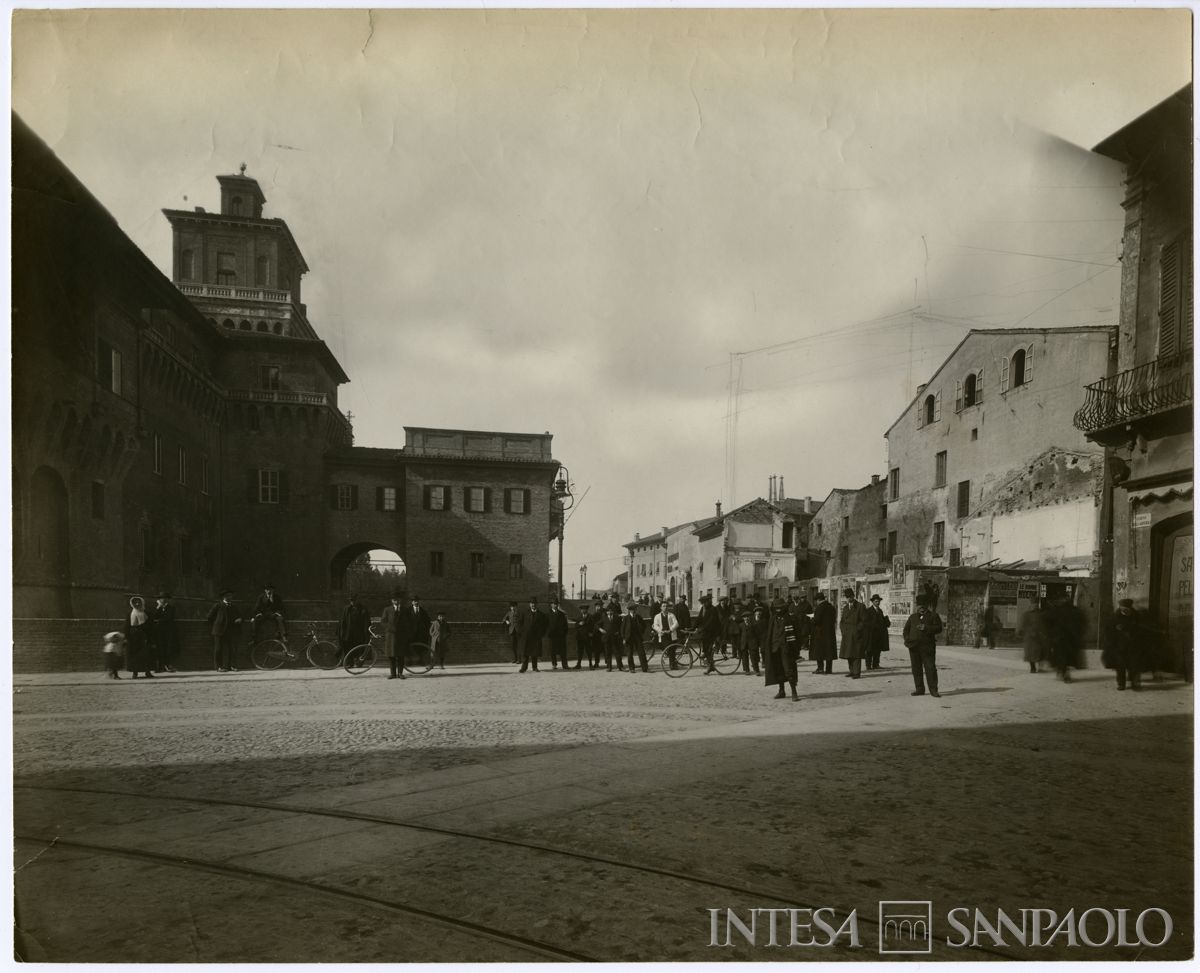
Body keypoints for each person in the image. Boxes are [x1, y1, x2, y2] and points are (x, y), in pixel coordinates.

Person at [903, 595, 944, 697]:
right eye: (919, 605)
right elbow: (906, 630)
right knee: (916, 669)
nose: (921, 607)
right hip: (914, 647)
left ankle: (933, 690)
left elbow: (939, 628)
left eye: (923, 605)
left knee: (930, 668)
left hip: (927, 647)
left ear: (927, 605)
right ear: (917, 606)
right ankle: (919, 689)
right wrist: (907, 640)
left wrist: (926, 628)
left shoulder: (933, 616)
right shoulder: (912, 617)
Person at [1105, 598, 1146, 691]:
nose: (1124, 611)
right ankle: (1121, 683)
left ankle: (1134, 683)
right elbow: (1108, 631)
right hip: (1119, 646)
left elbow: (1141, 630)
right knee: (1120, 666)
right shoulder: (1115, 617)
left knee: (1134, 665)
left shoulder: (1136, 616)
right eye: (1122, 609)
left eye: (1126, 609)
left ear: (1130, 608)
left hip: (1133, 645)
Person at [764, 598, 800, 700]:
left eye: (780, 608)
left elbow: (798, 635)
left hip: (786, 649)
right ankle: (781, 690)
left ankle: (794, 691)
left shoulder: (790, 619)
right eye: (776, 608)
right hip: (775, 648)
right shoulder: (773, 619)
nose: (778, 610)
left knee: (789, 670)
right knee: (778, 670)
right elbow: (769, 634)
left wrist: (796, 649)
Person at [1046, 592, 1087, 682]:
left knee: (1063, 657)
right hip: (1064, 639)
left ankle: (1063, 672)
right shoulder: (1071, 610)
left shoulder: (1057, 611)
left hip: (1064, 638)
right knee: (1064, 657)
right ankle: (1063, 672)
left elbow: (1081, 623)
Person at [207, 589, 243, 673]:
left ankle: (231, 666)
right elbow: (209, 617)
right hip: (219, 631)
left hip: (230, 630)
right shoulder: (218, 605)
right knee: (218, 649)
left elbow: (241, 616)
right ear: (223, 597)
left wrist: (240, 619)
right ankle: (219, 667)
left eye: (230, 595)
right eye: (227, 596)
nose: (229, 597)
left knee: (232, 649)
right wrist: (217, 624)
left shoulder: (234, 606)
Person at [838, 587, 869, 679]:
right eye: (847, 597)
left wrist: (857, 630)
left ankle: (857, 673)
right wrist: (843, 630)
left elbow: (864, 621)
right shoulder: (845, 607)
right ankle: (851, 671)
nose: (849, 599)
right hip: (847, 634)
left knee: (856, 654)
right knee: (848, 654)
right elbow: (842, 621)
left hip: (856, 634)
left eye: (850, 597)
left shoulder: (860, 606)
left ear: (853, 596)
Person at [400, 594, 433, 673]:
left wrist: (425, 630)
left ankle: (420, 660)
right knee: (409, 646)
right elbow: (404, 621)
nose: (415, 602)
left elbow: (427, 622)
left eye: (417, 601)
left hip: (421, 633)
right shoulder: (407, 611)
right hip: (410, 633)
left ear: (419, 602)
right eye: (414, 601)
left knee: (421, 647)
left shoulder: (423, 611)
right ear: (412, 602)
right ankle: (409, 660)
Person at [516, 595, 548, 673]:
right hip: (526, 637)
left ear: (537, 604)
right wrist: (521, 633)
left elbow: (545, 625)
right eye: (531, 603)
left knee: (535, 653)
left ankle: (535, 667)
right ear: (529, 604)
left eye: (534, 603)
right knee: (525, 653)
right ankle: (524, 667)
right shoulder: (524, 613)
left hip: (536, 637)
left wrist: (541, 634)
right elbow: (519, 624)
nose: (533, 605)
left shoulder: (541, 615)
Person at [150, 591, 180, 673]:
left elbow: (168, 618)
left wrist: (159, 620)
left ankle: (167, 665)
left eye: (164, 598)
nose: (162, 600)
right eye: (161, 598)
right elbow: (153, 617)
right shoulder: (158, 607)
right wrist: (159, 607)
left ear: (167, 599)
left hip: (168, 631)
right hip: (158, 632)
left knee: (167, 648)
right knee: (159, 648)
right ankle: (160, 667)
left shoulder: (171, 608)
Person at [380, 590, 407, 680]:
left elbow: (409, 622)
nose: (397, 601)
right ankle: (393, 674)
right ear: (392, 601)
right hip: (391, 636)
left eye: (398, 599)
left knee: (401, 655)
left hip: (401, 636)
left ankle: (400, 673)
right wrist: (389, 628)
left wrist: (405, 631)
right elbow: (383, 621)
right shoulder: (387, 609)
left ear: (400, 600)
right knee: (391, 655)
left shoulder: (404, 610)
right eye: (395, 600)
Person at [810, 592, 837, 674]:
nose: (816, 602)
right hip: (830, 632)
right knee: (829, 651)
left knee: (819, 650)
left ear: (818, 600)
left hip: (820, 633)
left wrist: (811, 619)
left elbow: (817, 620)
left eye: (816, 600)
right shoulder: (831, 607)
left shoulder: (819, 608)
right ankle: (829, 669)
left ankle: (820, 668)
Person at [339, 593, 371, 658]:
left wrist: (366, 632)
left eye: (354, 600)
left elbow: (367, 621)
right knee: (348, 647)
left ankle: (358, 661)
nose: (352, 602)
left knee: (358, 648)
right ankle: (350, 662)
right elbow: (343, 621)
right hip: (349, 633)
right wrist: (342, 632)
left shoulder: (363, 609)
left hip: (359, 633)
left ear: (357, 600)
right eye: (351, 601)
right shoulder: (347, 609)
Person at [696, 594, 722, 674]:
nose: (703, 604)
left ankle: (710, 666)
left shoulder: (713, 609)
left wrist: (701, 629)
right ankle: (710, 665)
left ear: (708, 602)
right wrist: (692, 627)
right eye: (702, 603)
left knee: (709, 650)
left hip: (713, 632)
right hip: (706, 632)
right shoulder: (703, 608)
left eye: (704, 603)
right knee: (706, 649)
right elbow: (699, 619)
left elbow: (710, 622)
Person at [864, 594, 891, 670]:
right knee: (869, 651)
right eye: (876, 601)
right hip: (871, 634)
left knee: (877, 650)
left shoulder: (880, 611)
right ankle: (868, 666)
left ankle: (876, 664)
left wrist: (886, 618)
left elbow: (884, 623)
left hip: (879, 635)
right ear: (872, 602)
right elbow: (866, 622)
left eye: (878, 601)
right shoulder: (868, 611)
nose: (878, 603)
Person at [1019, 602, 1048, 674]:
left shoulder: (1039, 614)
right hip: (1033, 637)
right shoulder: (1039, 614)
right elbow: (1023, 625)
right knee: (1034, 653)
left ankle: (1035, 667)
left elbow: (1022, 625)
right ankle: (1034, 667)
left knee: (1034, 653)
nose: (1035, 607)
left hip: (1034, 637)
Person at [652, 599, 680, 669]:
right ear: (661, 608)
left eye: (666, 606)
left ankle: (672, 665)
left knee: (672, 650)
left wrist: (670, 630)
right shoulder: (657, 616)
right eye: (663, 606)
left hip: (671, 634)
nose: (665, 607)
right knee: (667, 649)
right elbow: (655, 625)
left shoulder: (671, 615)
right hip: (663, 635)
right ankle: (671, 662)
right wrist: (660, 631)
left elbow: (676, 623)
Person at [621, 601, 648, 673]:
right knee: (629, 654)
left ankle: (644, 668)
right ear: (629, 610)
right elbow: (622, 629)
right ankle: (631, 668)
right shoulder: (626, 618)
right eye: (632, 609)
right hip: (629, 638)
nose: (634, 610)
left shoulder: (638, 617)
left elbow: (644, 625)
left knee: (641, 652)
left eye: (635, 608)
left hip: (637, 637)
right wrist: (623, 638)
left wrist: (641, 632)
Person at [599, 599, 624, 671]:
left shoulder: (616, 618)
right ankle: (609, 667)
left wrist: (618, 632)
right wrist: (600, 629)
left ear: (612, 611)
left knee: (617, 652)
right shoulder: (604, 618)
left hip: (614, 638)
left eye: (610, 611)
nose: (609, 612)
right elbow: (597, 624)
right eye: (608, 611)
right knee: (608, 653)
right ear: (606, 612)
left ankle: (620, 666)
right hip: (606, 638)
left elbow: (621, 626)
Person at [546, 597, 570, 670]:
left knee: (563, 651)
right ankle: (554, 664)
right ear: (551, 605)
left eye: (556, 604)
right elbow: (546, 625)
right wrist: (549, 633)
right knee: (553, 651)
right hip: (552, 636)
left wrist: (564, 633)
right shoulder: (548, 614)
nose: (555, 605)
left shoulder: (562, 614)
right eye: (553, 604)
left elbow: (565, 625)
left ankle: (564, 664)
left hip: (561, 636)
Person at [574, 604, 597, 670]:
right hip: (580, 637)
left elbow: (594, 626)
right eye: (582, 609)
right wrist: (579, 624)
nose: (583, 610)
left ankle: (590, 664)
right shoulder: (579, 617)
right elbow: (575, 626)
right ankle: (578, 664)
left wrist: (592, 633)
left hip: (588, 637)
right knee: (580, 651)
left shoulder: (590, 617)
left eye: (584, 609)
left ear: (587, 610)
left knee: (589, 651)